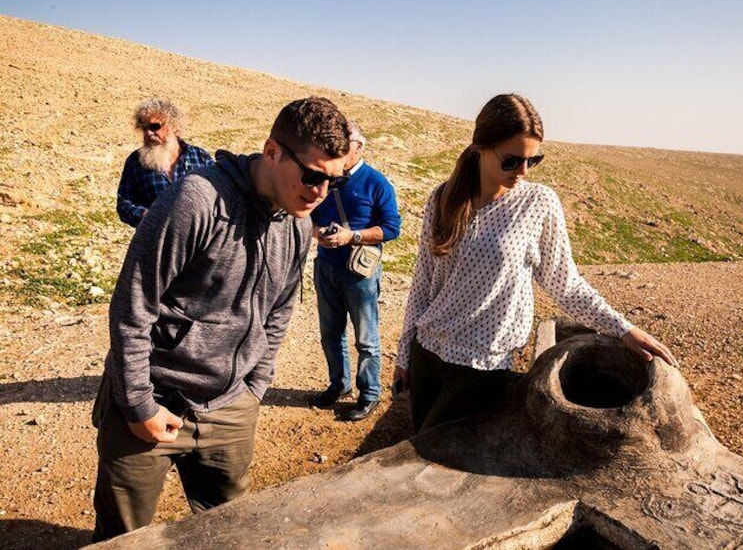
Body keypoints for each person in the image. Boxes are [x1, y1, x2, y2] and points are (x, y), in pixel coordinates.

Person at [91, 97, 351, 541]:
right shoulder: (195, 201)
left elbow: (278, 312)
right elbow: (133, 305)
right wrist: (137, 404)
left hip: (231, 409)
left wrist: (254, 388)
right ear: (272, 152)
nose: (320, 192)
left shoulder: (295, 223)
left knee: (227, 532)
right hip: (152, 404)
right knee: (122, 537)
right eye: (312, 176)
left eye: (335, 182)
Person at [394, 93, 677, 433]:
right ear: (481, 147)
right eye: (511, 161)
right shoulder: (443, 198)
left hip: (480, 367)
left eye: (533, 160)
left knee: (437, 460)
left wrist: (623, 329)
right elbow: (422, 283)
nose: (523, 172)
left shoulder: (538, 204)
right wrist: (404, 353)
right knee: (416, 450)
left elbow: (566, 283)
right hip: (427, 354)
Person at [310, 122, 402, 421]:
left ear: (358, 146)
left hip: (360, 273)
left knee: (366, 339)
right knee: (330, 334)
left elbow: (391, 228)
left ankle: (370, 394)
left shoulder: (377, 182)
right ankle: (339, 385)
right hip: (326, 266)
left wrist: (353, 237)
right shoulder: (325, 177)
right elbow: (307, 214)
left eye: (342, 142)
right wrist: (317, 233)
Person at [116, 98, 215, 227]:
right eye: (143, 128)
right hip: (156, 241)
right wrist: (147, 216)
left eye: (154, 126)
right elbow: (124, 205)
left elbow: (217, 198)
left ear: (173, 126)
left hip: (198, 241)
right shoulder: (135, 161)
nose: (148, 133)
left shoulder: (200, 157)